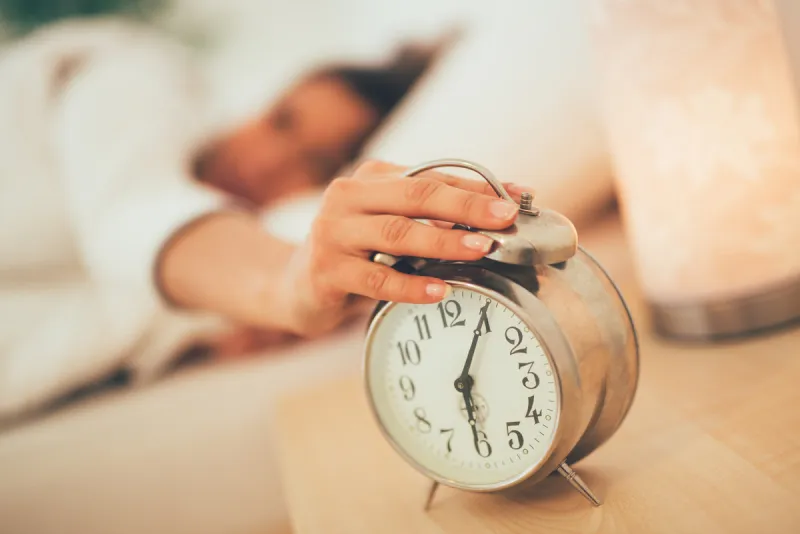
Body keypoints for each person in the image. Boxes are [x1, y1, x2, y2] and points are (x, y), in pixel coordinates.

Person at [0, 18, 532, 420]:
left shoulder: (199, 284)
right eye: (283, 120)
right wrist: (287, 285)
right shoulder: (135, 75)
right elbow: (131, 217)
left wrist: (197, 338)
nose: (266, 162)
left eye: (313, 166)